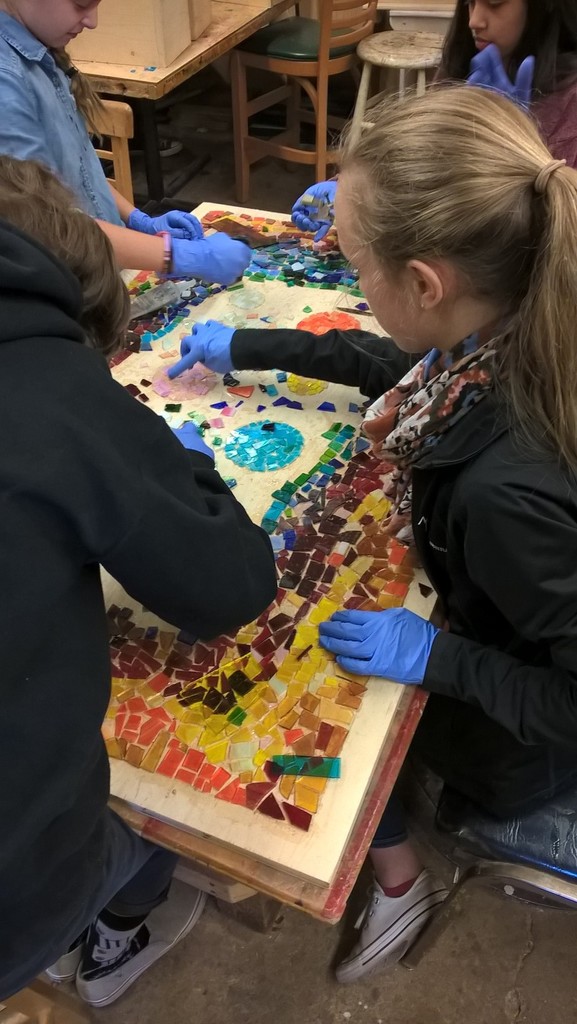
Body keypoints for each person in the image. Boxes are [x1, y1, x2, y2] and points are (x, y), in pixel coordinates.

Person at [174, 85, 577, 983]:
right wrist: (255, 347)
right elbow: (406, 363)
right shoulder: (512, 324)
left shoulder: (503, 493)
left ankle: (400, 883)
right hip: (512, 618)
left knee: (305, 676)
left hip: (522, 747)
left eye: (356, 264)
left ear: (425, 283)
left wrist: (437, 659)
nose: (354, 282)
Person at [0, 154, 277, 1006]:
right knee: (160, 827)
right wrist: (183, 468)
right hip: (14, 892)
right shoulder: (51, 382)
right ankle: (113, 931)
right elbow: (230, 584)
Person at [0, 0, 251, 284]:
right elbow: (47, 226)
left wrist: (137, 219)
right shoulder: (6, 83)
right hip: (68, 285)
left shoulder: (38, 46)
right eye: (81, 4)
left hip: (101, 263)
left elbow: (79, 172)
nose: (92, 21)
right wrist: (177, 256)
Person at [292, 0, 577, 237]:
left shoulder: (569, 101)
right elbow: (413, 156)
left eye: (494, 4)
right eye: (469, 3)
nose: (474, 20)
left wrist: (514, 148)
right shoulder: (463, 66)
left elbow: (557, 237)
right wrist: (348, 188)